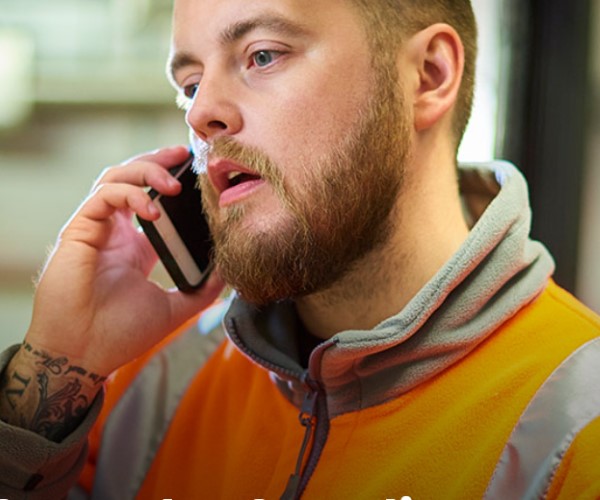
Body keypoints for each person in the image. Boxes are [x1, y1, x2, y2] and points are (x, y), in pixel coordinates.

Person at [1, 0, 599, 498]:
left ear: (429, 76)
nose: (202, 112)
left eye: (262, 55)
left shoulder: (579, 431)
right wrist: (56, 364)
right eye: (190, 84)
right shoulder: (146, 384)